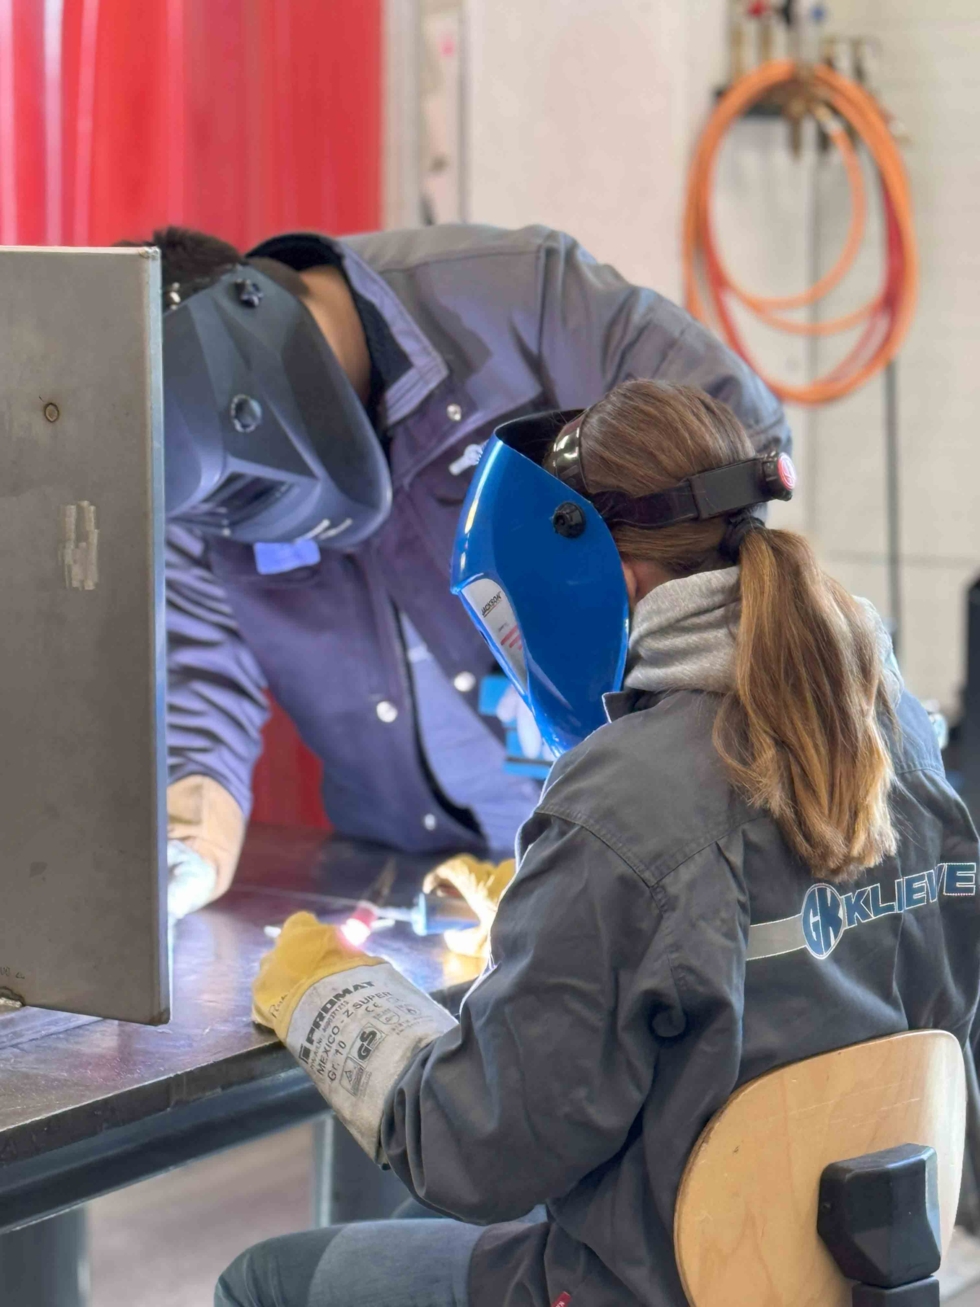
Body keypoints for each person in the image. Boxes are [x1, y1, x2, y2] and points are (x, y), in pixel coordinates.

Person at [215, 380, 980, 1307]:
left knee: (265, 1277)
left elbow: (478, 1151)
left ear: (594, 573)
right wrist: (568, 900)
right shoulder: (888, 725)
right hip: (848, 1271)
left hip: (641, 1287)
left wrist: (331, 997)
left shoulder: (623, 792)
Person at [137, 223, 790, 918]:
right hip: (421, 883)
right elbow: (201, 684)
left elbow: (735, 441)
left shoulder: (519, 300)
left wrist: (602, 616)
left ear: (257, 317)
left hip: (643, 851)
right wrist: (189, 850)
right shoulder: (186, 487)